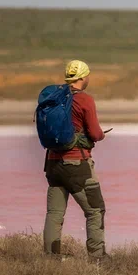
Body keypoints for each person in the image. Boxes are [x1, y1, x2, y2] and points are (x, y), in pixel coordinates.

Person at [43, 59, 109, 258]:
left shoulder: (55, 97)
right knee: (95, 210)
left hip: (52, 164)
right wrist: (101, 135)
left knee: (54, 214)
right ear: (83, 77)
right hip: (77, 165)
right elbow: (96, 134)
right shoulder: (84, 100)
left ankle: (50, 260)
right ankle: (98, 259)